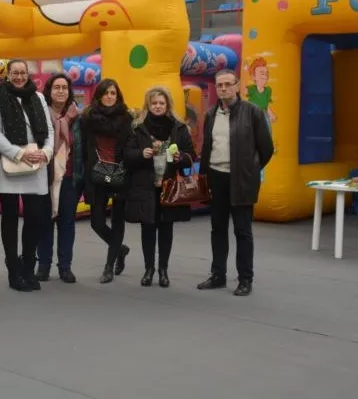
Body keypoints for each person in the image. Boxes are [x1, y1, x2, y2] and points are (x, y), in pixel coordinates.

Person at [197, 69, 274, 296]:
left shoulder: (253, 113)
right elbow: (208, 146)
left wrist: (250, 169)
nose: (223, 89)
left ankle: (245, 279)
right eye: (219, 85)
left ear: (237, 85)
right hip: (216, 177)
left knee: (243, 230)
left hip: (241, 179)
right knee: (217, 229)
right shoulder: (211, 114)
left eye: (227, 84)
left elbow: (266, 148)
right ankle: (218, 275)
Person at [0, 59, 54, 292]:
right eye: (14, 73)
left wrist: (46, 153)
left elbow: (49, 129)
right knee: (10, 219)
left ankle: (28, 265)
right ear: (7, 75)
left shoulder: (39, 98)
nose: (18, 76)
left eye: (22, 72)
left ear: (28, 74)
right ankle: (13, 271)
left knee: (34, 217)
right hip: (8, 165)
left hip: (36, 164)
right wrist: (18, 154)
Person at [124, 86, 196, 288]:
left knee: (166, 228)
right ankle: (149, 269)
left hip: (169, 185)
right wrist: (141, 154)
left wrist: (180, 157)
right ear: (148, 105)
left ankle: (163, 270)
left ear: (167, 105)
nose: (157, 106)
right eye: (154, 103)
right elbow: (126, 155)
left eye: (161, 103)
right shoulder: (137, 127)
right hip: (145, 186)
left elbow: (192, 156)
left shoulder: (179, 128)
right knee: (147, 227)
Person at [81, 78, 132, 284]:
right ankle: (120, 249)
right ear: (99, 95)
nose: (110, 96)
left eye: (113, 93)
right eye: (106, 93)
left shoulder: (127, 118)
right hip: (97, 173)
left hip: (120, 173)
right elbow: (83, 147)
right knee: (97, 222)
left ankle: (109, 266)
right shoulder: (88, 117)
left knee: (118, 220)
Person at [37, 73, 83, 284]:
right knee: (44, 221)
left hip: (70, 176)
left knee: (67, 223)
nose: (61, 91)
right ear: (49, 90)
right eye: (57, 87)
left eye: (64, 87)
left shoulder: (77, 117)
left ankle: (65, 267)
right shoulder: (40, 114)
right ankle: (43, 266)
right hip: (44, 175)